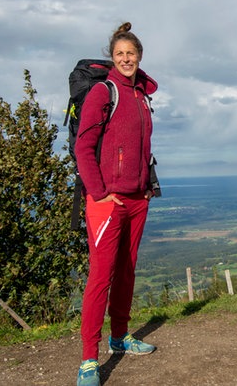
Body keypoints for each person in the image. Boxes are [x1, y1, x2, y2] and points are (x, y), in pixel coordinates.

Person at [74, 22, 158, 385]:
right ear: (113, 57)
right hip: (107, 200)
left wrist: (143, 187)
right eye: (120, 54)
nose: (126, 59)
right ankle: (88, 360)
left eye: (131, 54)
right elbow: (83, 147)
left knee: (126, 271)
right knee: (100, 277)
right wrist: (97, 191)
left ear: (139, 57)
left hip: (138, 197)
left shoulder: (140, 95)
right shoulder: (103, 92)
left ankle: (120, 337)